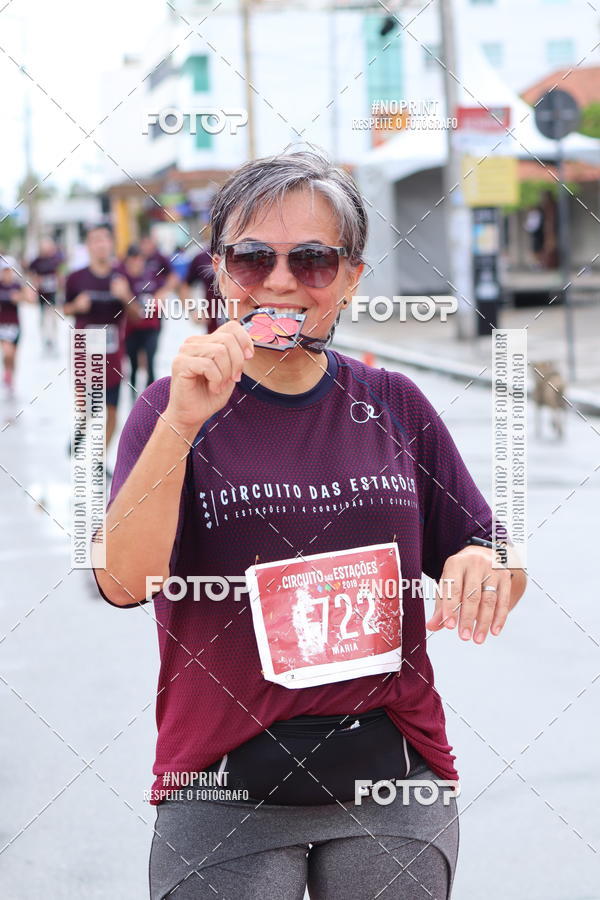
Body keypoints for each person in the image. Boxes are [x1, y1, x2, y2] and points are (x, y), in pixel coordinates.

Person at [93, 151, 527, 900]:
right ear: (221, 273)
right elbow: (123, 582)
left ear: (352, 277)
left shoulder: (395, 403)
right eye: (253, 259)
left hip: (394, 786)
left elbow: (492, 552)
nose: (282, 282)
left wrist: (487, 568)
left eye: (314, 260)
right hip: (222, 790)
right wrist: (186, 421)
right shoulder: (170, 407)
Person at [63, 225, 128, 453]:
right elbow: (64, 308)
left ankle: (100, 460)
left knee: (112, 412)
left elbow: (138, 314)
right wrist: (75, 306)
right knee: (87, 406)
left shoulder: (122, 276)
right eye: (95, 240)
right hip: (85, 352)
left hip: (113, 353)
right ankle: (80, 432)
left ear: (111, 244)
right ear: (88, 246)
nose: (100, 244)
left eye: (104, 239)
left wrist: (126, 296)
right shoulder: (75, 278)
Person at [116, 244, 162, 399]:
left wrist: (159, 299)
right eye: (133, 259)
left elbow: (164, 288)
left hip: (151, 327)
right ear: (128, 261)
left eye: (140, 259)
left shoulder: (150, 274)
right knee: (134, 365)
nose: (137, 262)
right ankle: (133, 399)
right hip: (132, 329)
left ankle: (152, 399)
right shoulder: (123, 277)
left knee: (150, 361)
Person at [0, 256, 35, 396]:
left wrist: (19, 297)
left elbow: (31, 300)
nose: (7, 273)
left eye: (10, 270)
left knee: (13, 355)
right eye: (5, 271)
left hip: (15, 325)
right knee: (7, 352)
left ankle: (11, 376)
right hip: (2, 324)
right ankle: (7, 372)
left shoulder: (17, 286)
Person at [27, 236, 64, 353]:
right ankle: (45, 339)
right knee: (43, 316)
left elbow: (59, 272)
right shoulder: (37, 261)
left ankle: (53, 338)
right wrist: (35, 283)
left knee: (52, 316)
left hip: (52, 292)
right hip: (42, 293)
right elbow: (31, 272)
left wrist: (60, 285)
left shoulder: (54, 259)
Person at [179, 244, 220, 333]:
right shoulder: (203, 257)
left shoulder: (241, 253)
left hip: (244, 325)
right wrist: (193, 311)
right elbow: (185, 287)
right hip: (214, 328)